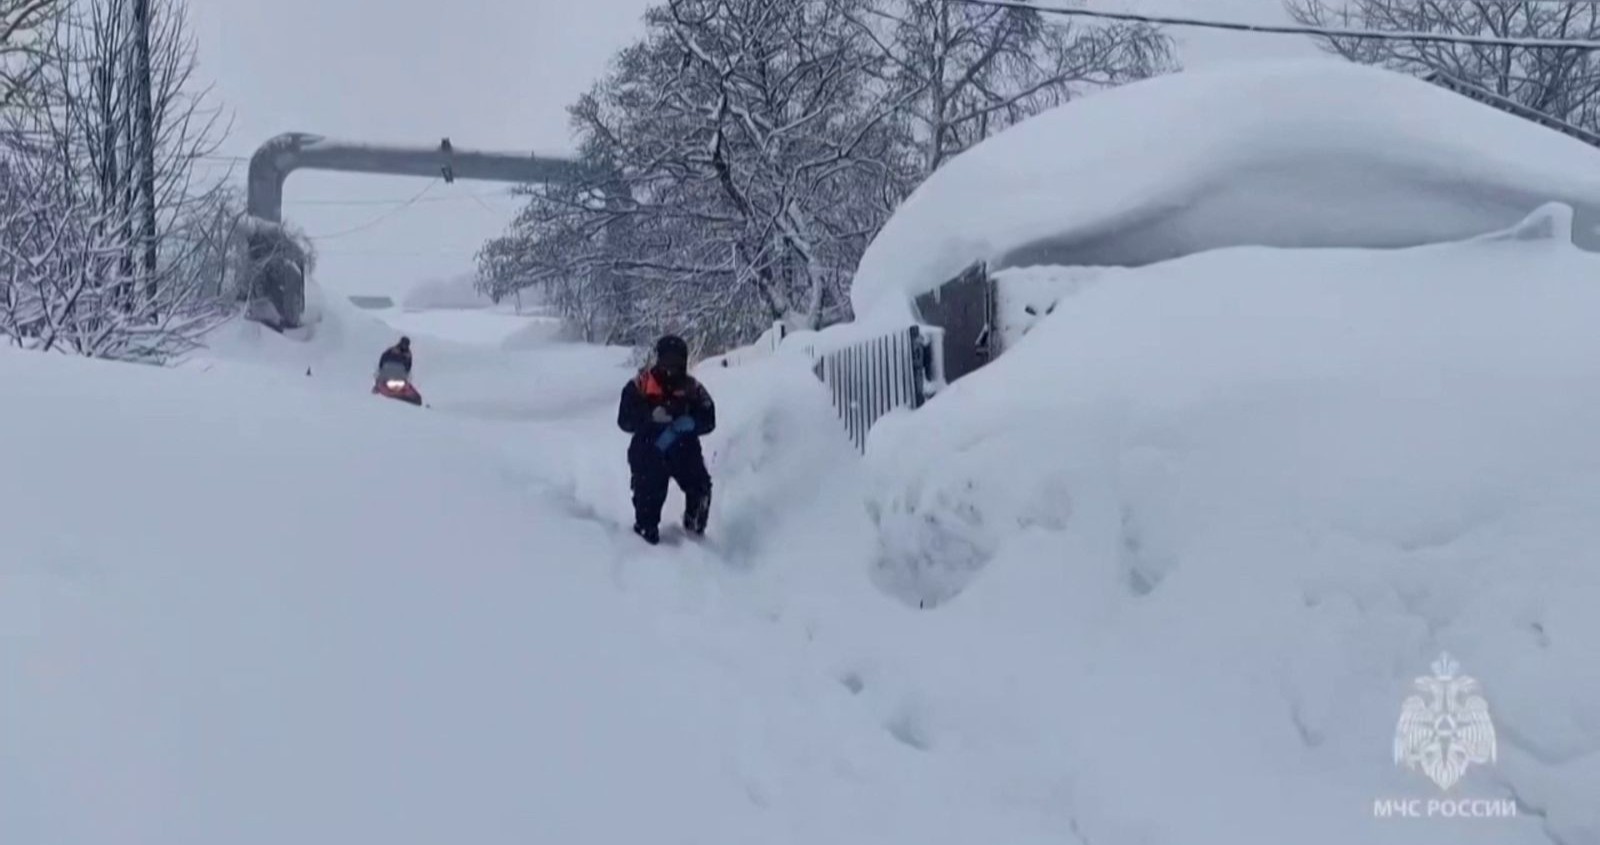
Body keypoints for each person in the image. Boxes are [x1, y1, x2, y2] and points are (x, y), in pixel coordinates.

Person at [617, 334, 716, 544]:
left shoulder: (692, 387)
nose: (671, 367)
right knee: (648, 499)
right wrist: (649, 416)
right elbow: (624, 419)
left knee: (701, 489)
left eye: (677, 360)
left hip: (684, 449)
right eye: (667, 360)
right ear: (658, 359)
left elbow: (709, 418)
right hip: (649, 450)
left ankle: (695, 536)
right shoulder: (641, 384)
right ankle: (644, 540)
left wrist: (691, 423)